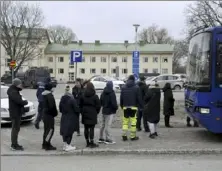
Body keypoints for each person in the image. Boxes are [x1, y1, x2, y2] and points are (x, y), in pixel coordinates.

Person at [120, 75, 143, 141]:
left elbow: (121, 98)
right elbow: (139, 98)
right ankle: (132, 136)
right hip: (133, 107)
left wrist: (122, 106)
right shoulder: (136, 87)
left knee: (125, 122)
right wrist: (141, 106)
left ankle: (124, 135)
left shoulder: (123, 87)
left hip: (125, 107)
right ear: (134, 80)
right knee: (133, 122)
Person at [7, 78, 28, 151]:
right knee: (15, 129)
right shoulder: (13, 92)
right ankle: (13, 145)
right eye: (20, 84)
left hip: (16, 112)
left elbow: (17, 102)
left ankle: (15, 143)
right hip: (15, 113)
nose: (21, 86)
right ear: (16, 84)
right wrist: (25, 102)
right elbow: (18, 101)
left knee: (16, 129)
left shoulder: (15, 90)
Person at [79, 82, 101, 148]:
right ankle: (92, 142)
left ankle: (87, 142)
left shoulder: (83, 95)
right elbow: (98, 106)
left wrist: (82, 112)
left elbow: (80, 105)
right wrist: (96, 112)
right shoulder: (95, 96)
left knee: (86, 128)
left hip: (85, 113)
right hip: (92, 113)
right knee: (92, 128)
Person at [59, 85, 79, 151]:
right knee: (70, 131)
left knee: (64, 131)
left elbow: (60, 109)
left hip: (64, 117)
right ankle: (68, 145)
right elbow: (76, 109)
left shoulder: (62, 98)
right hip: (71, 117)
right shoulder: (72, 99)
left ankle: (65, 145)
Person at [42, 83, 58, 151]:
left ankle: (44, 143)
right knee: (50, 130)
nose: (54, 89)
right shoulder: (49, 95)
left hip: (45, 114)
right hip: (49, 115)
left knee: (46, 130)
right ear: (50, 88)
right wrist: (55, 113)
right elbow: (52, 107)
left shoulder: (43, 94)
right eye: (53, 87)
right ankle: (47, 144)